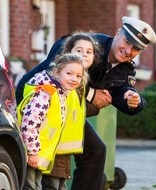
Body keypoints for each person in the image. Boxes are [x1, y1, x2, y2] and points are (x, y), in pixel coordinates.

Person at [16, 16, 156, 190]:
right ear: (118, 33)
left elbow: (123, 91)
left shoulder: (125, 67)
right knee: (40, 163)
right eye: (127, 42)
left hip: (67, 111)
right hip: (38, 105)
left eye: (135, 48)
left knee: (96, 151)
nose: (128, 50)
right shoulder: (85, 46)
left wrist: (134, 100)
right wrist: (91, 95)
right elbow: (55, 76)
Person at [41, 31, 103, 190]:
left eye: (89, 52)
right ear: (68, 53)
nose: (84, 55)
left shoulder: (79, 80)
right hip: (53, 148)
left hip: (64, 151)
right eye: (79, 50)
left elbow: (77, 109)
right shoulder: (62, 81)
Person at [18, 53, 88, 190]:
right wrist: (32, 152)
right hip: (32, 152)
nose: (74, 79)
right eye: (69, 73)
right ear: (57, 72)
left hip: (39, 154)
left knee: (36, 186)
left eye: (78, 76)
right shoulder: (45, 93)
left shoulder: (61, 92)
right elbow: (29, 123)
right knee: (30, 187)